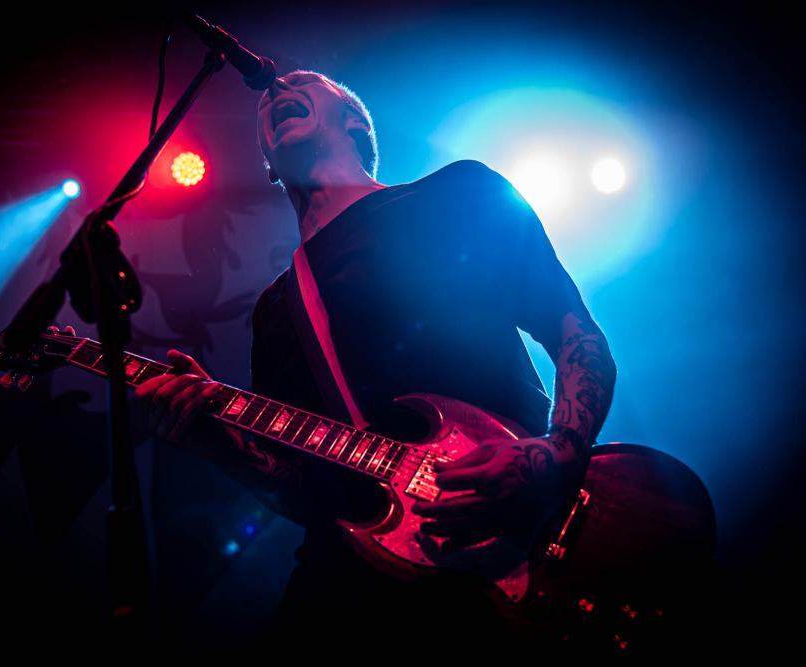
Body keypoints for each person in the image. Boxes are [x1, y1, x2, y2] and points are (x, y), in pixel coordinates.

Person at [134, 70, 617, 647]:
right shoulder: (275, 309)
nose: (277, 89)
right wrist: (214, 441)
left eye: (304, 82)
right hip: (356, 577)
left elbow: (572, 331)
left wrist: (558, 453)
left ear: (357, 125)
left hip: (519, 532)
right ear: (267, 163)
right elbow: (303, 488)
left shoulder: (455, 193)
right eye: (267, 101)